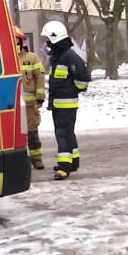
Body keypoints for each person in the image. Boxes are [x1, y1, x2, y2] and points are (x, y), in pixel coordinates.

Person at [41, 20, 91, 181]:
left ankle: (64, 167)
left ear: (55, 39)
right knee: (67, 132)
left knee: (62, 133)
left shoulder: (68, 56)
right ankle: (73, 161)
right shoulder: (60, 56)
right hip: (59, 103)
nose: (47, 43)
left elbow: (83, 77)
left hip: (66, 103)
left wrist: (74, 89)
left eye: (48, 40)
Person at [15, 27, 46, 169]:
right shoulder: (5, 58)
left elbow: (40, 77)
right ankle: (20, 161)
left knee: (32, 133)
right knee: (15, 136)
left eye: (16, 40)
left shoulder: (31, 58)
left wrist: (40, 98)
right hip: (12, 107)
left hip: (29, 107)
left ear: (21, 41)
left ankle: (36, 158)